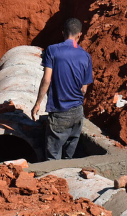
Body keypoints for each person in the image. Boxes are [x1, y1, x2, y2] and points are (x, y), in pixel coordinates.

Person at [31, 18, 93, 160]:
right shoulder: (86, 56)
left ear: (63, 33)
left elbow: (47, 79)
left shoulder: (53, 51)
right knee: (68, 156)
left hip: (59, 111)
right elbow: (84, 89)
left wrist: (38, 103)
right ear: (79, 35)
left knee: (53, 157)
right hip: (78, 112)